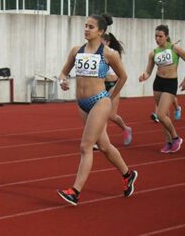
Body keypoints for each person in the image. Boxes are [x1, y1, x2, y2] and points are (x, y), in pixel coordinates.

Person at [56, 14, 138, 206]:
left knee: (86, 147)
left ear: (100, 31)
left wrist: (111, 96)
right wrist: (63, 81)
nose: (86, 29)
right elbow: (63, 72)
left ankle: (75, 192)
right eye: (85, 26)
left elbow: (123, 77)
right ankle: (128, 174)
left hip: (100, 102)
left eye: (91, 27)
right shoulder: (76, 51)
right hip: (82, 104)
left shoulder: (109, 53)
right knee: (104, 146)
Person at [139, 25, 185, 153]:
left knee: (160, 114)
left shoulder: (174, 48)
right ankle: (168, 142)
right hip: (158, 83)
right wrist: (144, 76)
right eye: (156, 36)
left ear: (166, 36)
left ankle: (176, 138)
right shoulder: (153, 52)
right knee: (165, 115)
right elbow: (148, 71)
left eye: (160, 36)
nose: (157, 39)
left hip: (171, 83)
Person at [101, 33, 132, 145]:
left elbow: (122, 73)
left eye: (102, 41)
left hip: (113, 84)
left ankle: (125, 128)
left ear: (108, 42)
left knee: (111, 116)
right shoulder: (96, 53)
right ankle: (99, 140)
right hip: (101, 85)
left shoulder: (114, 54)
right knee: (102, 114)